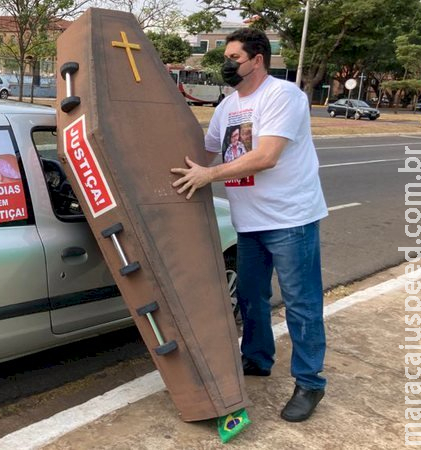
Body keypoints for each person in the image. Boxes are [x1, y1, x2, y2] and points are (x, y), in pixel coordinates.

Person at [170, 28, 328, 423]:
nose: (227, 64)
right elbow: (202, 148)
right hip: (249, 221)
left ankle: (309, 382)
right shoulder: (226, 107)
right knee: (251, 297)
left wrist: (211, 175)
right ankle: (257, 359)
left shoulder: (283, 96)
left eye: (234, 57)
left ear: (257, 60)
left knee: (301, 303)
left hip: (290, 218)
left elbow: (267, 155)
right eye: (226, 57)